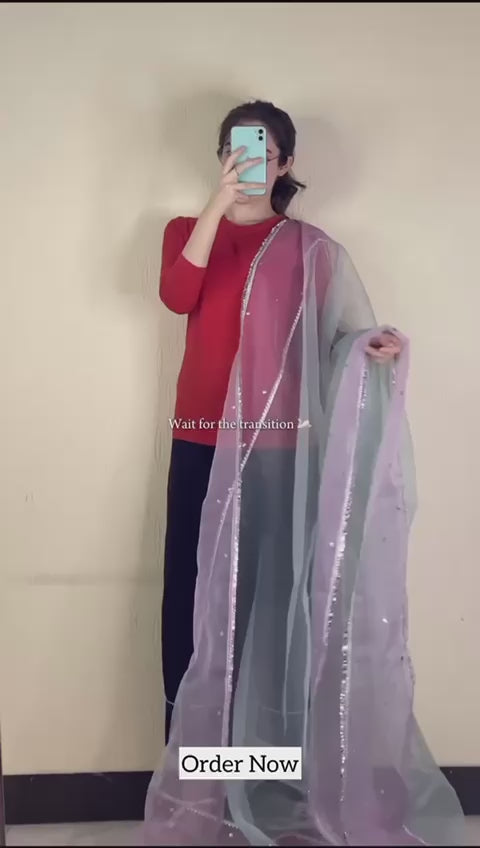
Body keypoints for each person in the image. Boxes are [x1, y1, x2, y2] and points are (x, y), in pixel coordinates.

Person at [145, 101, 465, 845]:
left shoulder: (312, 251)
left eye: (262, 151)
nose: (247, 161)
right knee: (194, 615)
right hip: (201, 445)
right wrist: (219, 205)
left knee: (273, 619)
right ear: (221, 157)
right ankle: (200, 791)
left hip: (280, 453)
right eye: (235, 149)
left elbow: (340, 338)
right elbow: (177, 295)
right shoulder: (187, 231)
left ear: (286, 163)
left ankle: (266, 786)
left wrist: (372, 346)